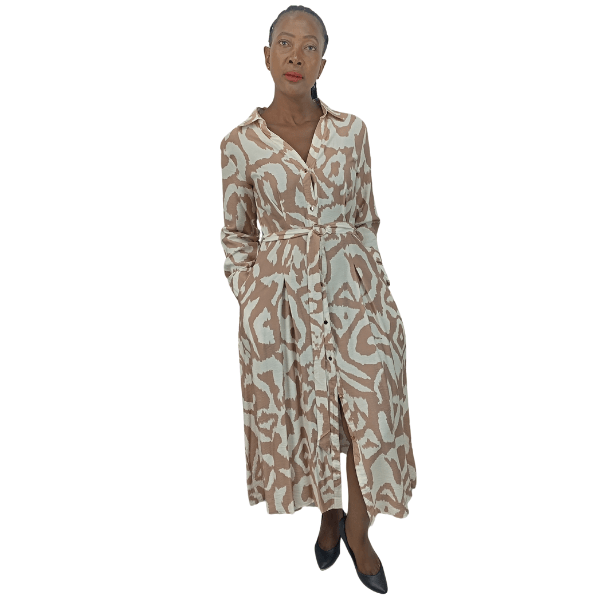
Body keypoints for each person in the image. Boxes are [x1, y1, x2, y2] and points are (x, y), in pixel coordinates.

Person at [219, 5, 416, 594]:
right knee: (313, 415)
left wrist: (376, 289)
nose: (296, 56)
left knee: (369, 413)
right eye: (285, 43)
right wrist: (254, 297)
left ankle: (357, 528)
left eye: (310, 47)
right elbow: (237, 235)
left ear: (323, 63)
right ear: (267, 56)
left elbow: (366, 218)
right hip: (281, 308)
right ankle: (328, 516)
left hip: (358, 298)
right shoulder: (239, 145)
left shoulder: (352, 132)